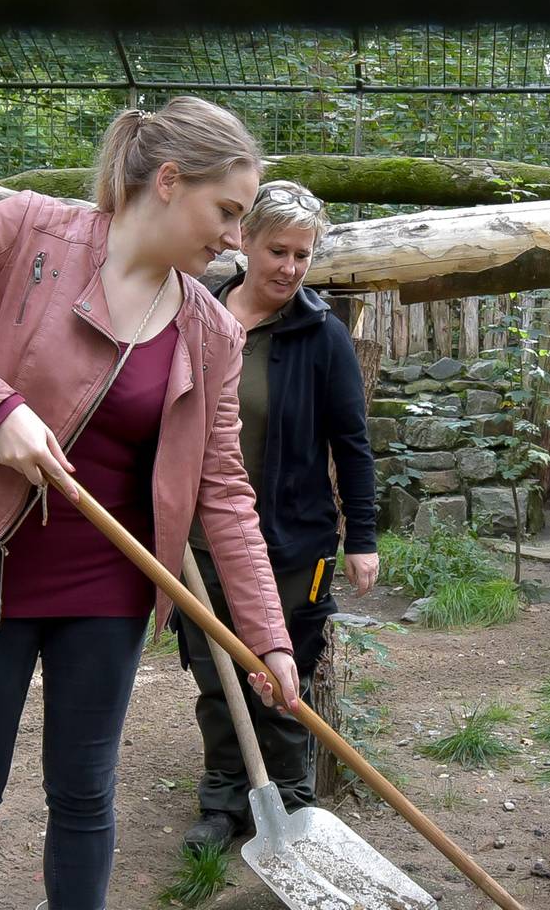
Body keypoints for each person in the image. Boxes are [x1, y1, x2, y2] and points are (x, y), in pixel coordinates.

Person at [0, 96, 306, 910]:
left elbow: (223, 491)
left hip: (110, 586)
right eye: (227, 212)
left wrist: (268, 637)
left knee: (84, 796)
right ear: (167, 181)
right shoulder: (27, 231)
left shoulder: (212, 331)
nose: (235, 238)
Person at [175, 179, 380, 853]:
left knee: (286, 677)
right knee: (217, 677)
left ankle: (291, 801)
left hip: (295, 542)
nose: (290, 267)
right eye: (277, 251)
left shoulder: (322, 335)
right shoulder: (195, 315)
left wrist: (362, 537)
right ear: (245, 243)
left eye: (302, 254)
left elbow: (351, 442)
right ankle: (223, 800)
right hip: (200, 540)